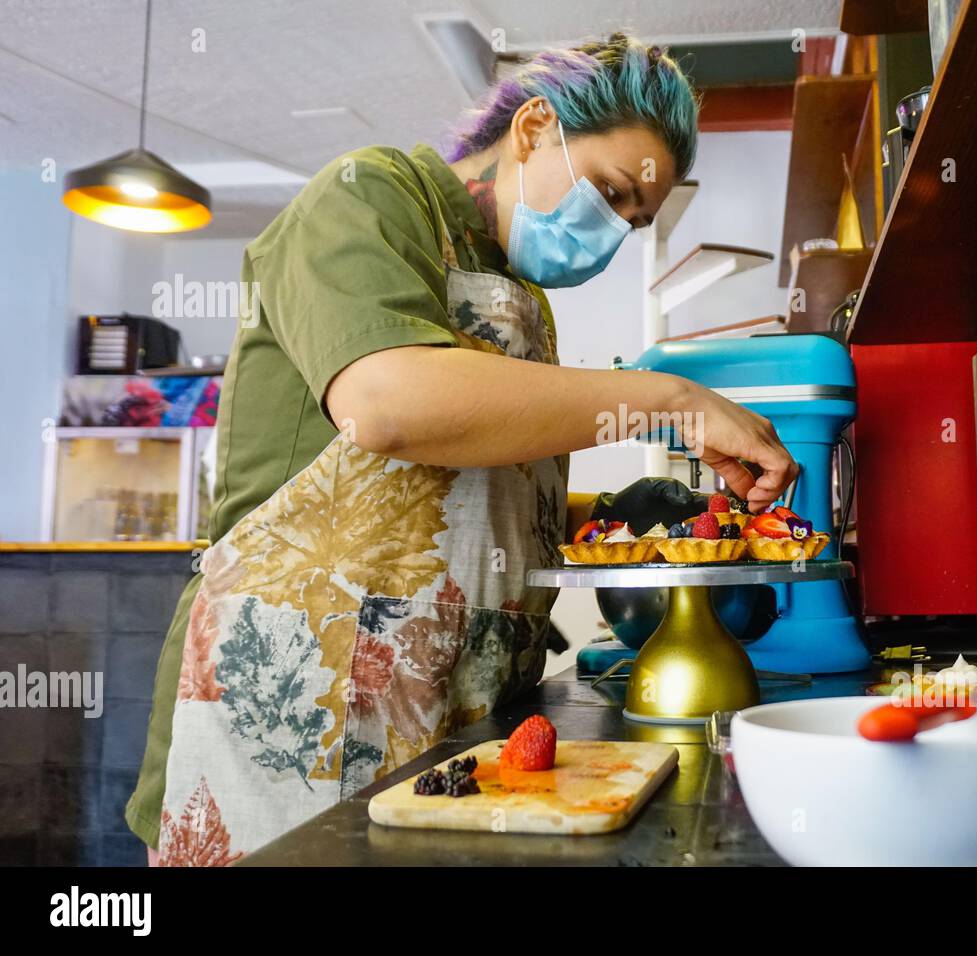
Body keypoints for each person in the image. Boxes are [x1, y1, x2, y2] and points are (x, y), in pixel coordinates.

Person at [125, 33, 797, 865]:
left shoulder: (523, 299)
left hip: (452, 712)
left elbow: (477, 500)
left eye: (634, 220)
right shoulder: (368, 195)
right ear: (534, 128)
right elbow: (388, 405)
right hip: (299, 704)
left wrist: (646, 533)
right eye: (614, 192)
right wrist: (669, 401)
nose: (613, 233)